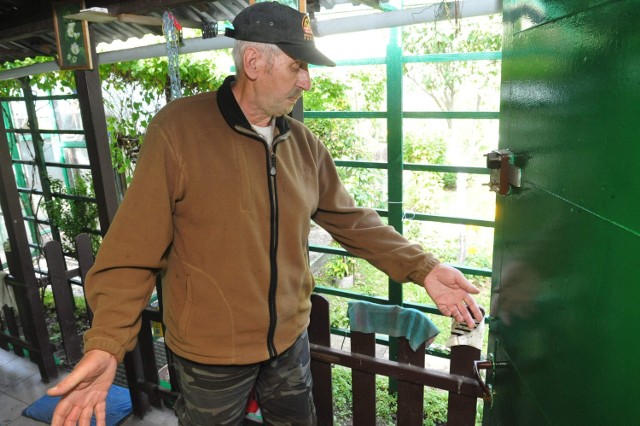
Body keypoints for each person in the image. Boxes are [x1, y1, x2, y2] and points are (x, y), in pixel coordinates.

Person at [48, 2, 484, 425]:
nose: (307, 83)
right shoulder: (178, 132)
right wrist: (107, 344)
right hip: (209, 355)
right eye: (298, 67)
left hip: (288, 344)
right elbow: (133, 250)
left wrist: (422, 268)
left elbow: (352, 221)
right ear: (254, 61)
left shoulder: (303, 144)